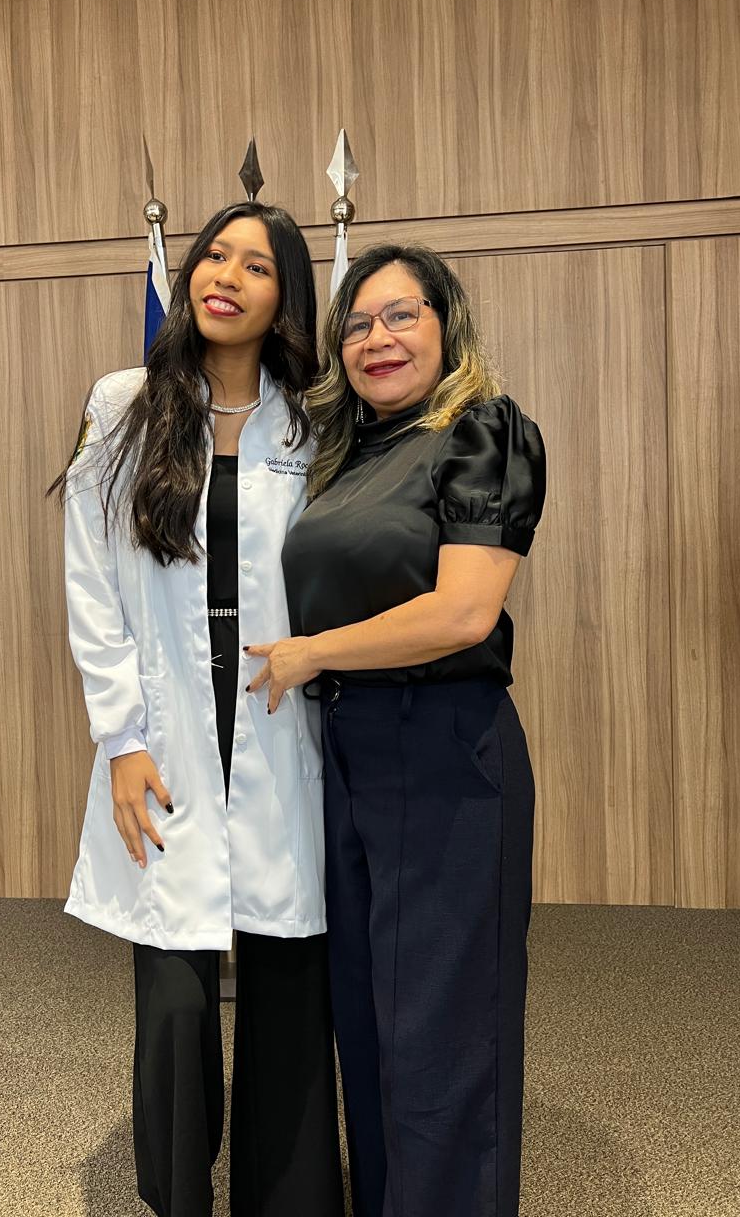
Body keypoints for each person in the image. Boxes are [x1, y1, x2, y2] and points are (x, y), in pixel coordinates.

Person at [52, 202, 344, 1217]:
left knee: (287, 976)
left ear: (286, 295)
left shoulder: (313, 421)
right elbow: (92, 579)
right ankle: (176, 1193)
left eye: (256, 265)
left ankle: (289, 1194)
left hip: (280, 719)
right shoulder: (125, 404)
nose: (226, 275)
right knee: (176, 994)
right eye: (215, 255)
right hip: (168, 726)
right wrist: (121, 738)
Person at [245, 243, 546, 1217]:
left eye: (401, 315)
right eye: (359, 324)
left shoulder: (485, 432)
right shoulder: (350, 455)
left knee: (442, 1035)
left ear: (446, 324)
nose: (378, 338)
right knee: (370, 1019)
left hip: (444, 746)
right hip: (349, 753)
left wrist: (312, 652)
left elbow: (463, 612)